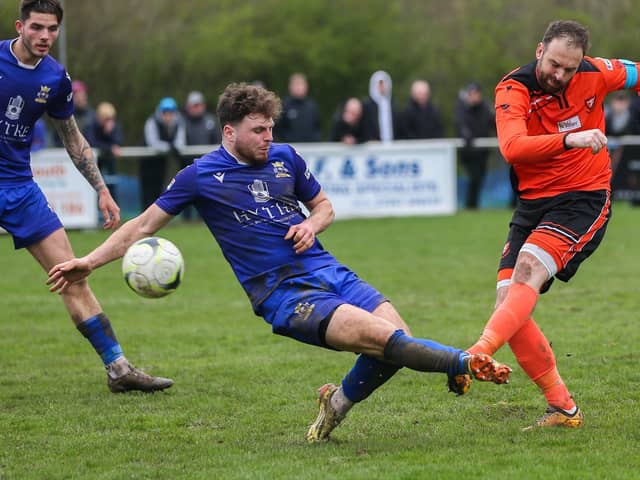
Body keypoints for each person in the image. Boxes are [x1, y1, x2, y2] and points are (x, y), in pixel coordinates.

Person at [47, 83, 512, 442]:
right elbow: (142, 226)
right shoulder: (200, 176)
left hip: (326, 269)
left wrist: (313, 224)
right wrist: (88, 261)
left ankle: (337, 404)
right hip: (282, 292)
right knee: (383, 338)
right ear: (229, 132)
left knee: (396, 342)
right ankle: (464, 361)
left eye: (271, 128)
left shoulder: (286, 158)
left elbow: (325, 205)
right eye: (258, 130)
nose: (269, 138)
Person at [450, 20, 640, 429]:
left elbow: (637, 73)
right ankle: (563, 409)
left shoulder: (597, 72)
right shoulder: (513, 89)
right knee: (509, 306)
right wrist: (570, 138)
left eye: (569, 69)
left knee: (527, 272)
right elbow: (512, 148)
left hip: (584, 197)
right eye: (554, 63)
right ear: (540, 51)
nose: (560, 75)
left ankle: (474, 352)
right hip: (533, 205)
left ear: (580, 64)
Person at [1, 0, 172, 393]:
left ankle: (119, 369)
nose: (44, 36)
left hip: (19, 187)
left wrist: (101, 189)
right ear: (19, 26)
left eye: (52, 30)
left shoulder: (56, 79)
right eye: (37, 28)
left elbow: (73, 139)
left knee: (72, 274)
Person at [454, 82, 495, 209]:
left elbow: (493, 122)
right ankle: (470, 205)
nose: (474, 97)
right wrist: (467, 136)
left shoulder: (485, 108)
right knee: (474, 178)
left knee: (479, 178)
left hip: (482, 152)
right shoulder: (462, 108)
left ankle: (472, 205)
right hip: (469, 152)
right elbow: (460, 126)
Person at [181, 90, 221, 220]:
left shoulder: (211, 121)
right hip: (187, 165)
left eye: (199, 105)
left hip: (208, 166)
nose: (197, 108)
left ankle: (203, 219)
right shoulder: (182, 122)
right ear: (188, 106)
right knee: (186, 193)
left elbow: (218, 141)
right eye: (194, 105)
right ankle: (186, 220)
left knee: (206, 194)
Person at [142, 96, 186, 210]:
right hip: (147, 162)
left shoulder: (178, 122)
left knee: (158, 189)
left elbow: (180, 141)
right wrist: (170, 147)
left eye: (170, 112)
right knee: (147, 190)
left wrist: (173, 147)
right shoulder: (152, 121)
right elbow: (152, 142)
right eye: (165, 112)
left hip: (161, 160)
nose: (168, 116)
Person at [274, 73, 322, 143]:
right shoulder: (284, 105)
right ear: (290, 87)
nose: (298, 87)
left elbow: (317, 127)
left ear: (306, 87)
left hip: (310, 149)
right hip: (290, 148)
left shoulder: (312, 106)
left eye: (301, 84)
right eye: (296, 85)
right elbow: (277, 129)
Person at [361, 70, 402, 142]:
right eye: (380, 83)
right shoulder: (367, 106)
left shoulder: (393, 105)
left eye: (385, 83)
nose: (383, 86)